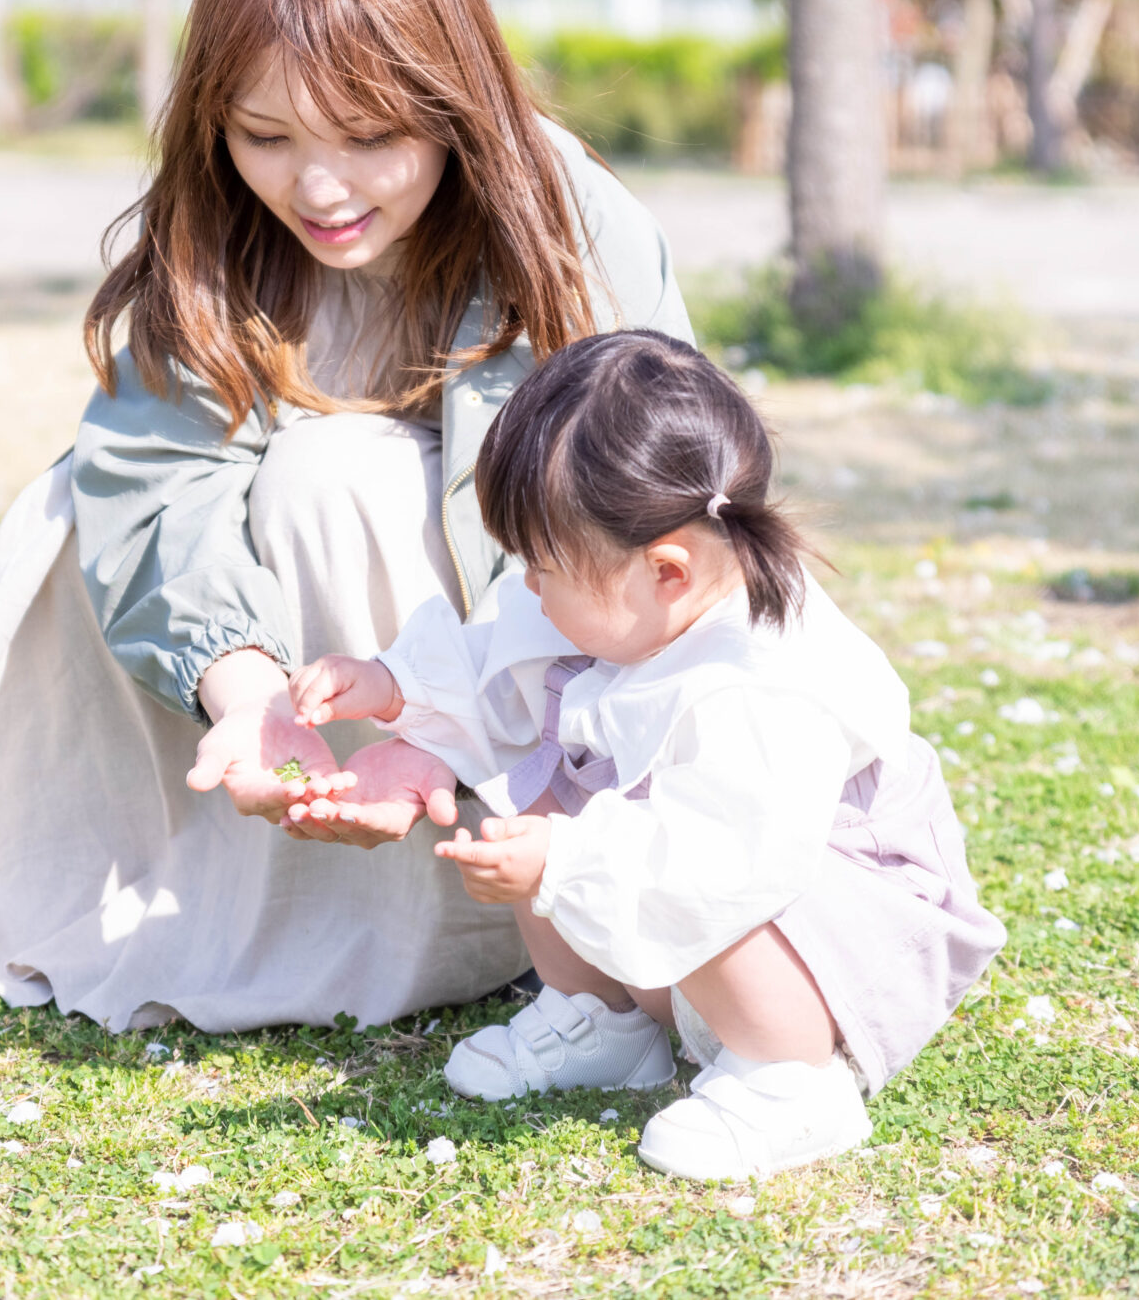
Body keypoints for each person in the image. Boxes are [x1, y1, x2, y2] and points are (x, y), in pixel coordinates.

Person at [0, 0, 691, 1033]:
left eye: (369, 137)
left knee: (337, 476)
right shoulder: (217, 224)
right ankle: (184, 885)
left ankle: (468, 912)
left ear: (453, 98)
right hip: (302, 672)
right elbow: (153, 477)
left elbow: (647, 508)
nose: (317, 188)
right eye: (265, 135)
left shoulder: (567, 222)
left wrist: (451, 722)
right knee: (64, 505)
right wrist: (248, 686)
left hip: (513, 677)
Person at [285, 330, 1007, 1181]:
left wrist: (566, 860)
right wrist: (390, 683)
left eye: (543, 565)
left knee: (643, 857)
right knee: (532, 789)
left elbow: (725, 861)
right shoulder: (635, 597)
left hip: (826, 938)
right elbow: (499, 660)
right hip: (691, 910)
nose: (527, 585)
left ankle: (791, 1080)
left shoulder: (760, 684)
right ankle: (602, 1019)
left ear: (668, 571)